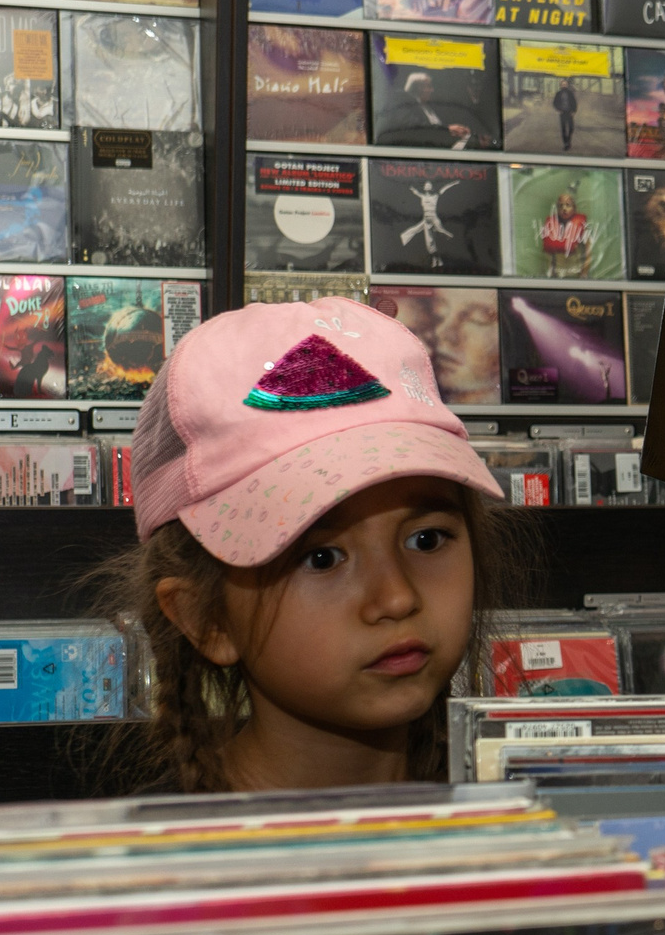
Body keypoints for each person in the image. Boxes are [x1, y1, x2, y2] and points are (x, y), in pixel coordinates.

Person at [96, 298, 530, 791]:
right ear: (206, 619)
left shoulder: (531, 819)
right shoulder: (156, 862)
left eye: (425, 540)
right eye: (321, 558)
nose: (397, 598)